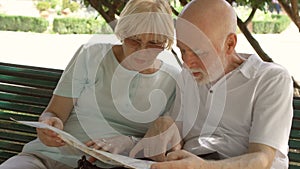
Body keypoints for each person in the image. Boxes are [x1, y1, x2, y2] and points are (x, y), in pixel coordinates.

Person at [0, 0, 179, 168]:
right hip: (47, 157)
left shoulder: (173, 80)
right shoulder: (91, 55)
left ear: (166, 43)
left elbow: (171, 144)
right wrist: (48, 124)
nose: (142, 51)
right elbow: (53, 112)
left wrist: (129, 142)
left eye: (154, 43)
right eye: (135, 40)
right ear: (123, 33)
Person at [130, 0, 294, 169]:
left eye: (199, 52)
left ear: (229, 44)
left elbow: (262, 159)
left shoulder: (270, 79)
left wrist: (202, 166)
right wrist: (165, 124)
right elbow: (175, 131)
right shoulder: (188, 76)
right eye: (183, 50)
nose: (186, 63)